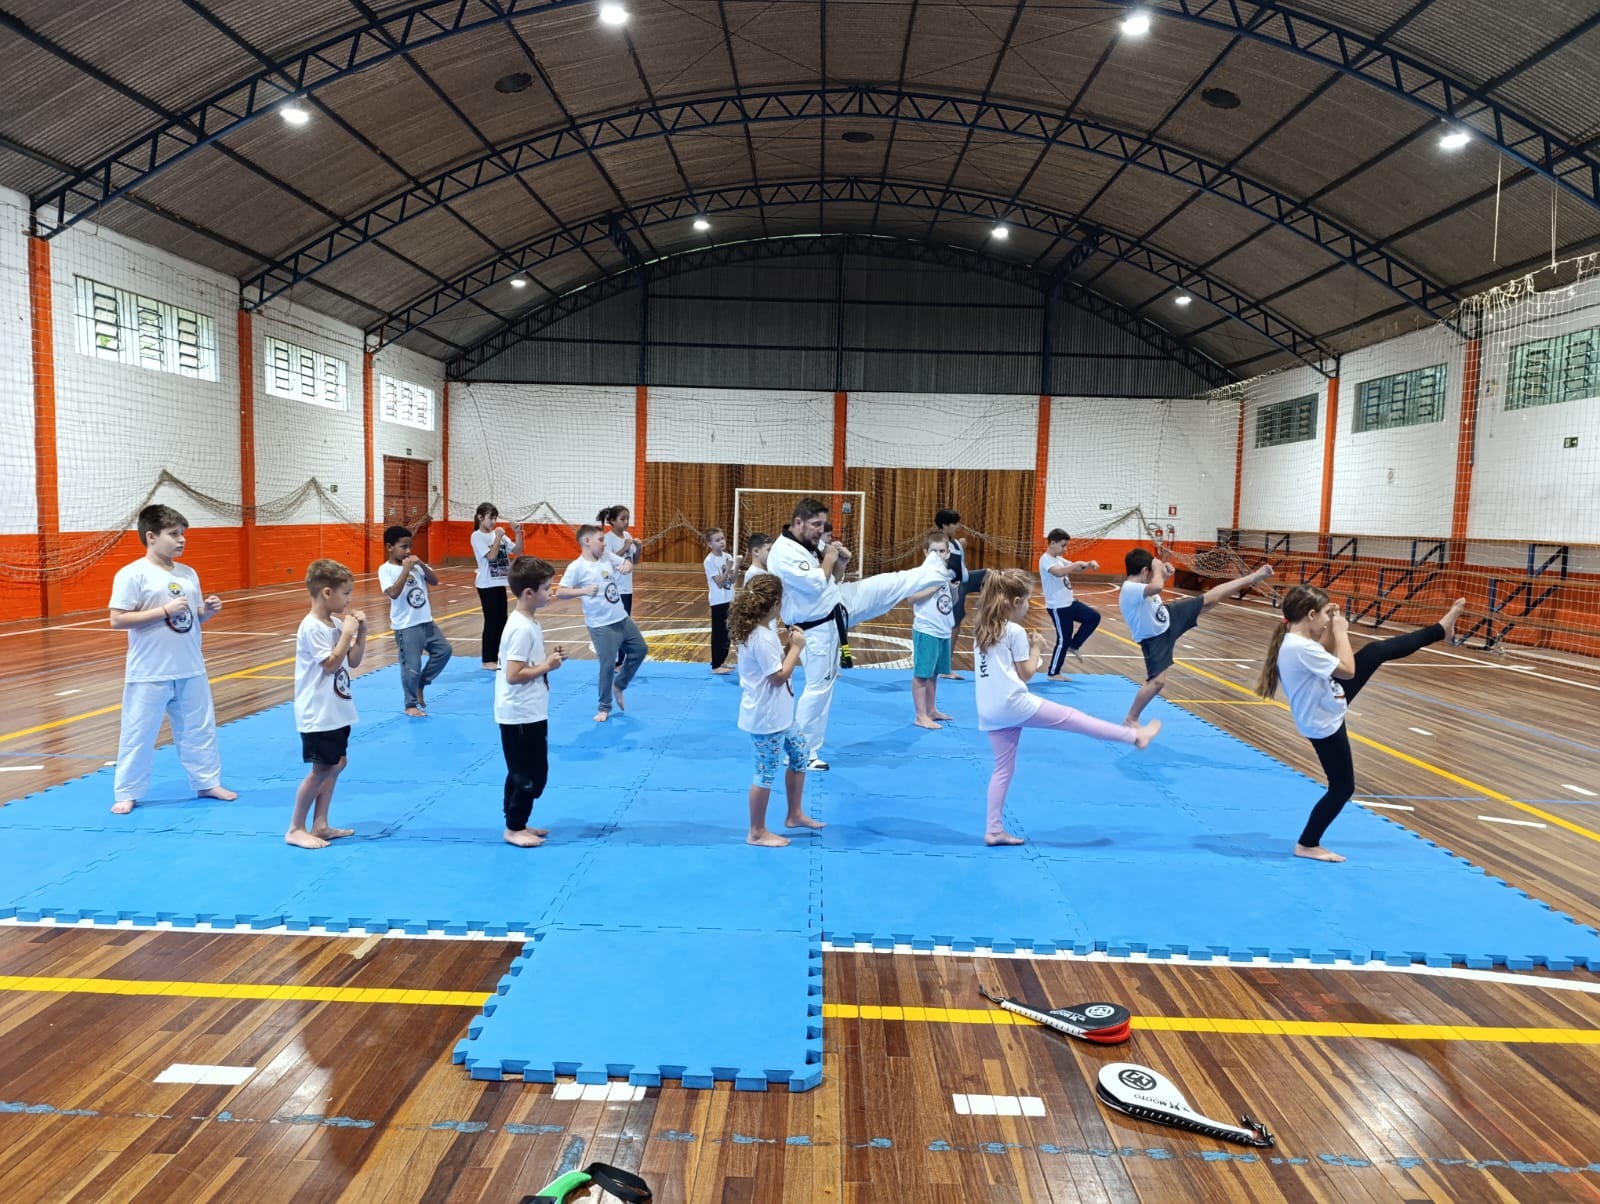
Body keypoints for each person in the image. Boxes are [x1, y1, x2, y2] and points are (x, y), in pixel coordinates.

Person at [1257, 585, 1466, 863]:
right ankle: (1307, 844)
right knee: (1342, 787)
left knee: (1375, 651)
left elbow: (1328, 654)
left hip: (1328, 702)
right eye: (1323, 615)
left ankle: (1441, 629)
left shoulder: (1297, 643)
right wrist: (1342, 631)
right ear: (1310, 615)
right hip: (1324, 721)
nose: (1326, 621)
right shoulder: (1300, 648)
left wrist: (1332, 627)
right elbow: (1348, 669)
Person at [975, 569, 1161, 846]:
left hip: (989, 708)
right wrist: (1036, 647)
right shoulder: (1013, 630)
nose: (1029, 605)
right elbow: (1026, 674)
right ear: (1015, 602)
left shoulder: (983, 629)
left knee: (1002, 769)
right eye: (1027, 600)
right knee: (1075, 718)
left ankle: (993, 830)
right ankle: (1134, 736)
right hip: (1013, 703)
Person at [767, 497, 949, 770]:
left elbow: (831, 580)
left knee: (887, 585)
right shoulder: (783, 553)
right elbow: (815, 583)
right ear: (798, 522)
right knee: (818, 689)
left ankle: (934, 569)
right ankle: (801, 752)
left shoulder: (807, 543)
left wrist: (839, 563)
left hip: (836, 605)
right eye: (816, 525)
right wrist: (830, 558)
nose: (821, 530)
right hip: (816, 629)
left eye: (823, 524)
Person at [107, 504, 238, 815]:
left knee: (199, 730)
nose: (182, 540)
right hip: (150, 670)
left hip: (190, 666)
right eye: (174, 534)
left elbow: (189, 619)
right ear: (151, 536)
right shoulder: (132, 574)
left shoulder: (188, 574)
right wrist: (163, 611)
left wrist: (207, 611)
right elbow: (117, 619)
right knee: (139, 733)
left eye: (183, 534)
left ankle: (206, 782)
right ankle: (128, 792)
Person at [1120, 548, 1273, 727]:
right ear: (1145, 570)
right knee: (1157, 682)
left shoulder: (1139, 587)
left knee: (1210, 599)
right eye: (1152, 571)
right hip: (1154, 638)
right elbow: (1157, 587)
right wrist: (1159, 568)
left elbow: (1155, 589)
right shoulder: (1129, 588)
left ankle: (1253, 577)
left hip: (1168, 617)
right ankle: (1131, 718)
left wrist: (1164, 575)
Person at [728, 573, 825, 846]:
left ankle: (794, 814)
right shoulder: (759, 637)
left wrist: (787, 646)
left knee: (800, 754)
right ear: (773, 604)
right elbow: (778, 676)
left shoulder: (764, 630)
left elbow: (772, 663)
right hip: (766, 718)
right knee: (765, 772)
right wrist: (797, 648)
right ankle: (756, 831)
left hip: (781, 713)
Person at [289, 559, 366, 850]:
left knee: (338, 763)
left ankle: (320, 824)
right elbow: (331, 664)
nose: (349, 600)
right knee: (321, 769)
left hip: (336, 709)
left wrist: (361, 632)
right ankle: (296, 828)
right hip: (317, 712)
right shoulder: (311, 627)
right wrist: (346, 633)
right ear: (326, 592)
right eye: (345, 593)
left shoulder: (335, 624)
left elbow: (353, 660)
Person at [496, 556, 567, 848]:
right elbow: (513, 674)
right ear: (529, 592)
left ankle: (517, 822)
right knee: (530, 774)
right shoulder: (521, 628)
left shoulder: (529, 621)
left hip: (530, 710)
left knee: (523, 771)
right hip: (520, 712)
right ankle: (513, 828)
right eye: (546, 588)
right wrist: (547, 666)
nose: (551, 592)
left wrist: (548, 660)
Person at [557, 523, 648, 722]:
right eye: (600, 540)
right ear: (587, 541)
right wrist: (583, 591)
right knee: (607, 665)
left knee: (640, 650)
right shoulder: (577, 567)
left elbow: (626, 562)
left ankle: (619, 685)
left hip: (621, 618)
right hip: (600, 625)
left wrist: (627, 565)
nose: (604, 544)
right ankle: (604, 707)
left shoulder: (606, 556)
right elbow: (560, 592)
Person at [379, 525, 453, 717]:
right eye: (403, 547)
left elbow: (434, 580)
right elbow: (393, 593)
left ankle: (422, 682)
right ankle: (410, 704)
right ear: (389, 547)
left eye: (410, 546)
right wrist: (406, 570)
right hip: (406, 626)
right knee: (411, 666)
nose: (408, 551)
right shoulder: (385, 570)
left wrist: (420, 564)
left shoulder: (416, 567)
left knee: (444, 651)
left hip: (426, 621)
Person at [906, 529, 957, 729]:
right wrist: (934, 587)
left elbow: (949, 602)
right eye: (933, 551)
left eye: (941, 551)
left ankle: (931, 710)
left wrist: (954, 590)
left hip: (943, 629)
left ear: (948, 553)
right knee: (922, 674)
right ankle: (920, 715)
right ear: (926, 553)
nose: (937, 555)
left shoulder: (945, 574)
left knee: (934, 674)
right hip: (927, 629)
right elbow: (911, 599)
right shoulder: (922, 574)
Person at [1039, 528, 1101, 680]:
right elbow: (1058, 572)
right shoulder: (1045, 559)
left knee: (1093, 617)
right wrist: (1077, 564)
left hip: (1070, 603)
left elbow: (1077, 568)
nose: (1065, 549)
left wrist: (1089, 564)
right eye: (1063, 545)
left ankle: (1074, 645)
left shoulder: (1059, 559)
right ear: (1052, 543)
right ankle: (1053, 673)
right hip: (1058, 607)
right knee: (1063, 639)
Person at [471, 502, 522, 671]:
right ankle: (487, 659)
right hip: (486, 585)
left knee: (502, 621)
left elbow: (517, 550)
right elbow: (492, 557)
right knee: (492, 622)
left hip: (500, 582)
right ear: (480, 518)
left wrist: (518, 533)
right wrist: (498, 537)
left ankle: (499, 656)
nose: (493, 522)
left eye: (495, 518)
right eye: (490, 518)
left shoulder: (497, 534)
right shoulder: (477, 536)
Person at [936, 508, 986, 680]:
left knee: (991, 576)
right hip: (952, 587)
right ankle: (945, 668)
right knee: (954, 627)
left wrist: (960, 544)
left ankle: (987, 611)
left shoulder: (956, 543)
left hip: (965, 581)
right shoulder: (938, 546)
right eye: (954, 524)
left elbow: (959, 550)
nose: (957, 527)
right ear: (944, 525)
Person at [601, 505, 641, 668]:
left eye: (628, 518)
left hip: (627, 587)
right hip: (614, 588)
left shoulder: (628, 536)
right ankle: (615, 660)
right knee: (616, 625)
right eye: (622, 519)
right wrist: (625, 547)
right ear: (612, 521)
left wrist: (638, 547)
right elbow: (607, 561)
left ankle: (621, 660)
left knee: (624, 624)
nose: (626, 522)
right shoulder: (607, 539)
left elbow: (635, 561)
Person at [704, 527, 740, 674]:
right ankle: (716, 665)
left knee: (727, 633)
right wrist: (728, 567)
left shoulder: (727, 556)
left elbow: (732, 579)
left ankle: (722, 661)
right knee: (719, 633)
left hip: (729, 598)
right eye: (717, 540)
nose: (722, 542)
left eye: (722, 539)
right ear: (710, 544)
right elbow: (719, 583)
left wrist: (736, 566)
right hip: (718, 601)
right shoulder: (709, 561)